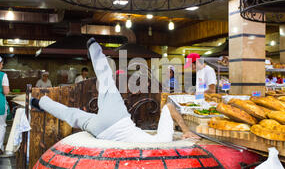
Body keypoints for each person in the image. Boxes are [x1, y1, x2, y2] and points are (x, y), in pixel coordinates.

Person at [30, 39, 198, 143]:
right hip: (101, 132)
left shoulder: (164, 140)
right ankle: (38, 102)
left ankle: (93, 47)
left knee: (106, 81)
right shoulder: (160, 145)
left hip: (117, 120)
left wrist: (186, 130)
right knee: (71, 114)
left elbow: (168, 107)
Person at [0, 56, 10, 154]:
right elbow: (6, 91)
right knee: (1, 126)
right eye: (2, 64)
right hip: (0, 104)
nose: (2, 66)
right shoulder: (3, 75)